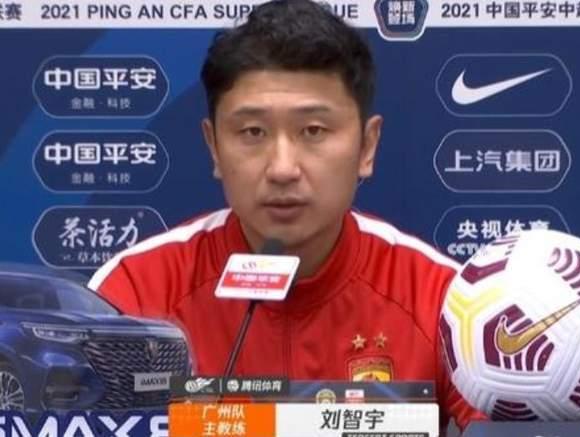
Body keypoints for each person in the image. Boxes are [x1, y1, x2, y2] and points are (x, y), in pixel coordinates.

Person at [89, 0, 486, 431]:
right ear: (214, 147)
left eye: (313, 131)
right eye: (252, 132)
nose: (282, 168)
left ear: (367, 146)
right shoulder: (135, 293)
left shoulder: (442, 300)